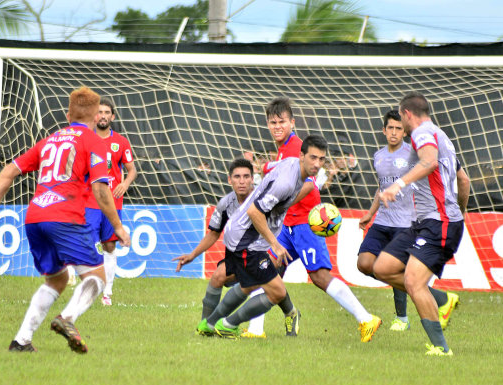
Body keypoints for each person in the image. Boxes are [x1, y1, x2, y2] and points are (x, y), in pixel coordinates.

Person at [0, 87, 131, 354]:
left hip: (35, 217)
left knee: (57, 280)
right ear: (94, 117)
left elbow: (9, 171)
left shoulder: (50, 140)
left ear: (68, 114)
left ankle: (21, 341)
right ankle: (67, 318)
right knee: (97, 276)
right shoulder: (93, 141)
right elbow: (101, 190)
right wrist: (117, 226)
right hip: (65, 216)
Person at [252, 97, 381, 342]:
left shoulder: (298, 147)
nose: (277, 126)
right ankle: (255, 330)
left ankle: (366, 319)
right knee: (265, 272)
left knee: (320, 277)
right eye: (273, 122)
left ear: (293, 122)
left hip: (304, 224)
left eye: (282, 121)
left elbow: (311, 183)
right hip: (288, 225)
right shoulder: (283, 148)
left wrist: (283, 203)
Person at [196, 135, 326, 339]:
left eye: (322, 160)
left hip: (241, 235)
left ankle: (209, 323)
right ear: (301, 156)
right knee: (276, 292)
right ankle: (228, 325)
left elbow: (283, 179)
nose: (317, 164)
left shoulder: (292, 166)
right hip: (247, 241)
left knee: (249, 284)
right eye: (313, 158)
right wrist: (275, 244)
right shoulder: (285, 182)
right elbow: (254, 212)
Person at [374, 92, 470, 356]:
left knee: (413, 282)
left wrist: (398, 184)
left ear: (407, 114)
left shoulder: (421, 134)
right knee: (381, 267)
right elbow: (464, 181)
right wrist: (459, 213)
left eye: (400, 118)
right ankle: (442, 300)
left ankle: (441, 348)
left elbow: (428, 162)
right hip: (428, 221)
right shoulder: (444, 137)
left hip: (438, 222)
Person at [358, 110, 459, 332]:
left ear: (405, 131)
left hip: (407, 222)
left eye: (398, 128)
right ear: (383, 130)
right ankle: (439, 298)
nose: (394, 132)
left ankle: (402, 318)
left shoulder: (414, 154)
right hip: (383, 221)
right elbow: (382, 188)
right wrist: (370, 213)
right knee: (364, 264)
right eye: (390, 128)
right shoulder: (378, 156)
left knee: (398, 267)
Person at [173, 158, 255, 320]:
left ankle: (290, 311)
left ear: (253, 179)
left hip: (264, 255)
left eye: (246, 177)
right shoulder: (225, 204)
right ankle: (206, 326)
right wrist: (192, 255)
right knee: (218, 277)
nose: (242, 181)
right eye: (237, 177)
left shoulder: (263, 199)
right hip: (239, 257)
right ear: (229, 180)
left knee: (266, 289)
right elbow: (213, 233)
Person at [85, 97, 136, 306]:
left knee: (109, 245)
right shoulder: (86, 140)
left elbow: (132, 170)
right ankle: (85, 287)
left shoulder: (121, 142)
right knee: (84, 243)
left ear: (112, 117)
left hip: (113, 203)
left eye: (107, 112)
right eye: (100, 112)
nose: (103, 116)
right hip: (88, 200)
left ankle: (107, 292)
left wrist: (125, 183)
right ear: (94, 116)